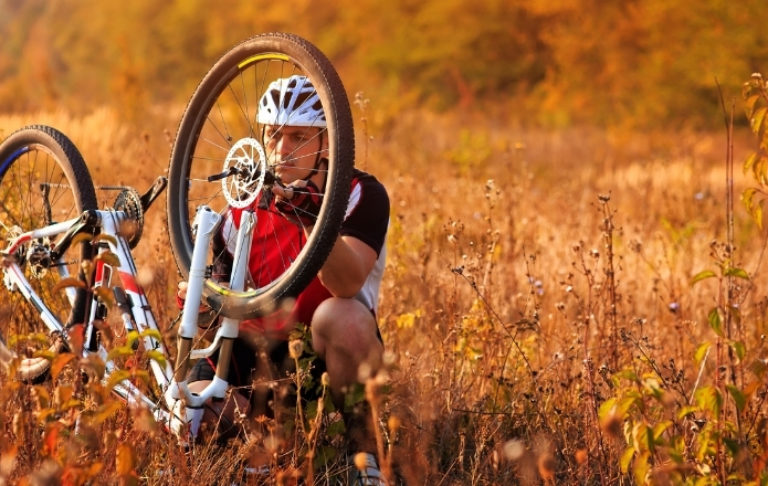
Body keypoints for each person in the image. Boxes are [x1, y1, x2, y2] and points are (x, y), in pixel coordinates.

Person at [182, 74, 390, 485]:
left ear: (325, 144)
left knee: (342, 315)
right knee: (192, 410)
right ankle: (263, 446)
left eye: (298, 137)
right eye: (274, 136)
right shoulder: (239, 210)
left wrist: (310, 213)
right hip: (256, 361)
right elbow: (219, 318)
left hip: (321, 356)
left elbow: (346, 284)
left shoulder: (358, 194)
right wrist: (204, 299)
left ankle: (365, 463)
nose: (282, 150)